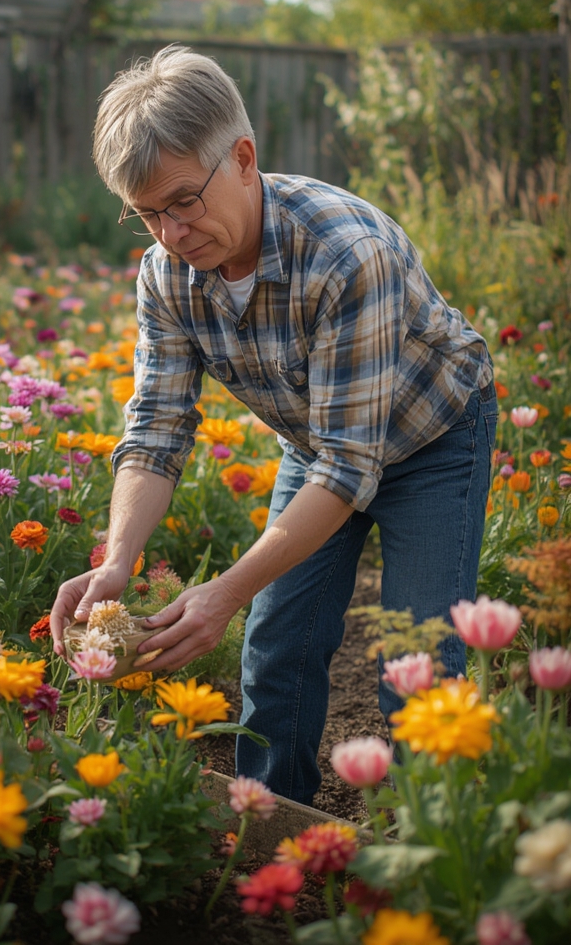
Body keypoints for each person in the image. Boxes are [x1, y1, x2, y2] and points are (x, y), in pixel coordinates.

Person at [50, 45, 497, 805]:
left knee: (415, 668)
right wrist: (118, 558)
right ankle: (270, 828)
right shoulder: (167, 274)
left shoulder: (347, 255)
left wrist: (222, 591)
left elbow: (352, 470)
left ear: (244, 158)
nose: (170, 233)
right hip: (318, 443)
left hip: (433, 440)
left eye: (184, 200)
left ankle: (432, 853)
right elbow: (156, 427)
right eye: (146, 213)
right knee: (276, 648)